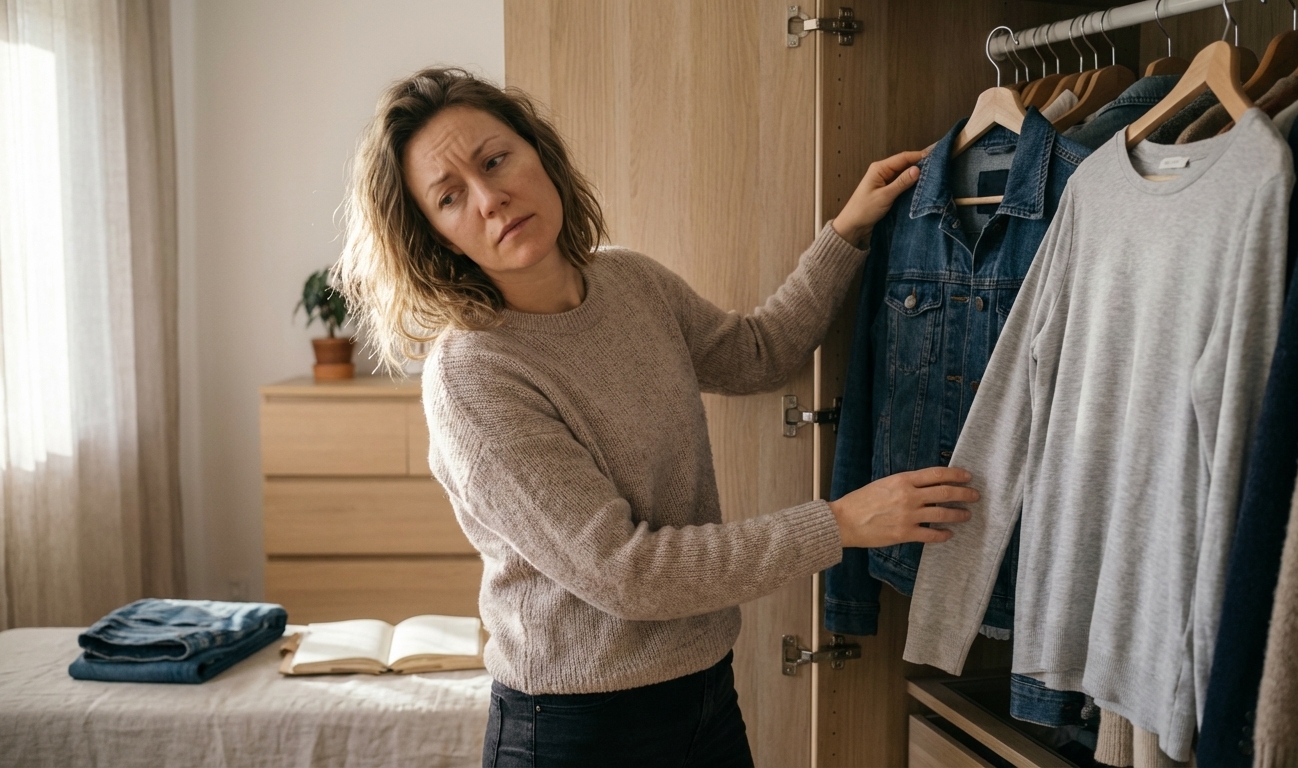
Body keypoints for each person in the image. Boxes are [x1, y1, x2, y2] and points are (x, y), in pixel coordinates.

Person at [335, 67, 978, 768]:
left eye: (496, 160)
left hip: (704, 693)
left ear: (538, 152)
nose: (492, 199)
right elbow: (627, 574)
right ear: (435, 235)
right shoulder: (472, 376)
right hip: (574, 731)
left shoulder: (628, 280)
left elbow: (757, 354)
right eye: (451, 196)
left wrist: (848, 231)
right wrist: (842, 524)